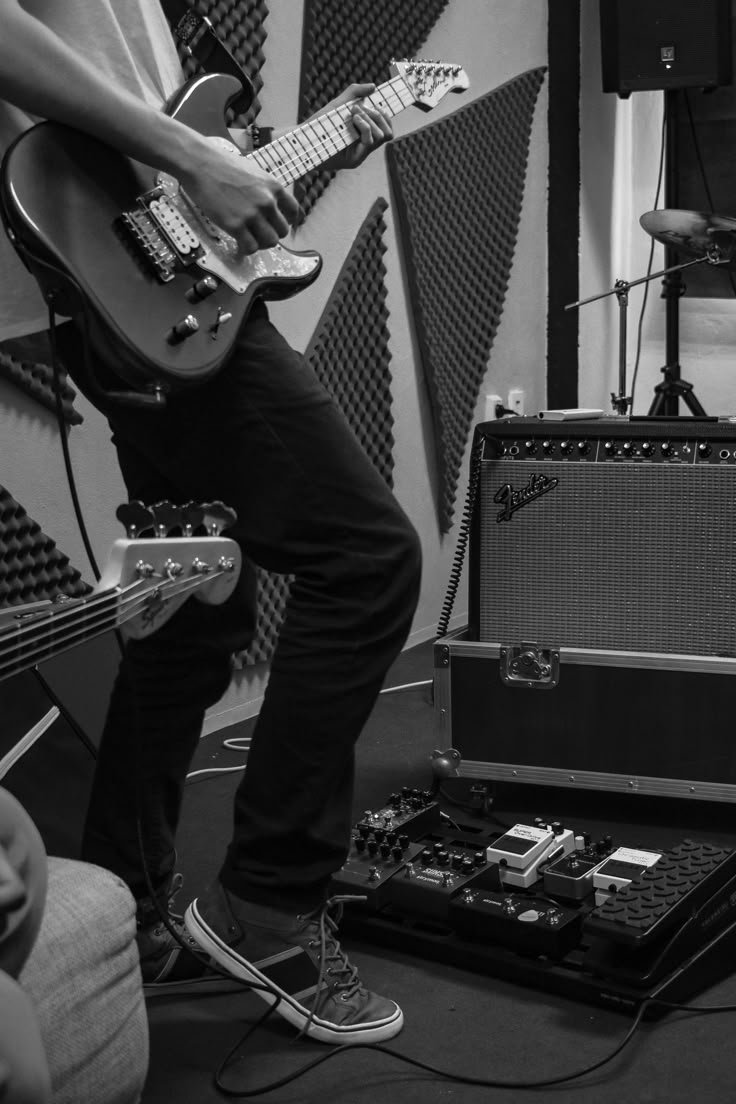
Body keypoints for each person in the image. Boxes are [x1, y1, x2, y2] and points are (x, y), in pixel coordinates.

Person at [0, 0, 422, 1046]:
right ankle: (269, 906)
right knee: (366, 560)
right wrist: (197, 155)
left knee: (186, 607)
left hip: (155, 279)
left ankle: (120, 914)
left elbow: (172, 127)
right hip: (108, 277)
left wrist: (297, 140)